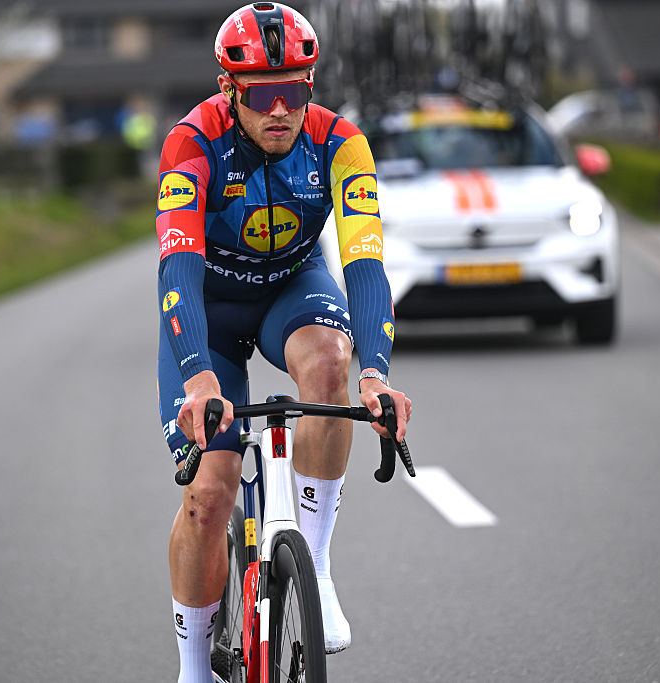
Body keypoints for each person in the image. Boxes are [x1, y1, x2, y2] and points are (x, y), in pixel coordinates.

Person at [155, 4, 411, 681]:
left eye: (294, 90)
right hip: (207, 307)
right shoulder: (192, 142)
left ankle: (316, 563)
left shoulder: (341, 143)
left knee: (331, 360)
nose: (280, 109)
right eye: (262, 94)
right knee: (210, 493)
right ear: (227, 89)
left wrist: (376, 374)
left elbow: (364, 262)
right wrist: (198, 378)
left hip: (289, 289)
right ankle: (192, 668)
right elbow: (176, 265)